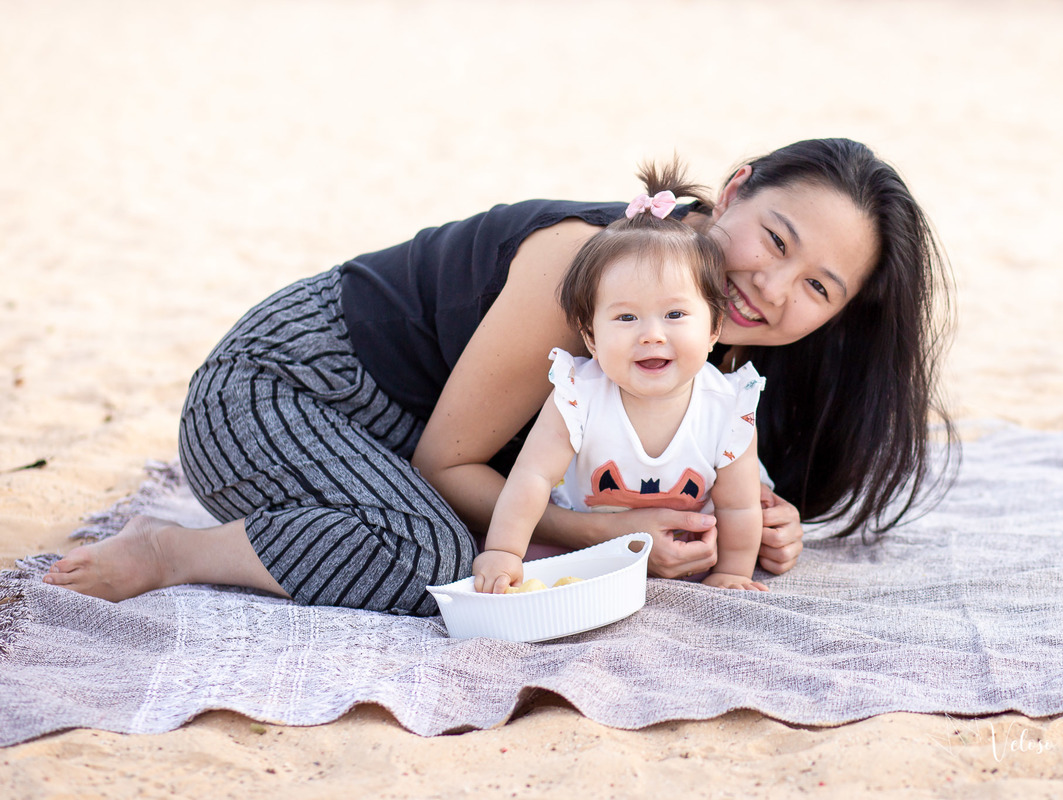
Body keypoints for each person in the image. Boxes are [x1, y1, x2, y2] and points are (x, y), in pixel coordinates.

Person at [43, 138, 956, 617]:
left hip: (391, 445)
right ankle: (174, 553)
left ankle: (306, 525)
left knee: (489, 550)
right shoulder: (596, 267)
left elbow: (625, 455)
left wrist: (731, 516)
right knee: (439, 563)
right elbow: (450, 464)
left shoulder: (710, 334)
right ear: (737, 185)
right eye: (776, 241)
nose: (772, 286)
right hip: (282, 388)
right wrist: (600, 537)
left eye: (818, 289)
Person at [475, 166, 769, 594]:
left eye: (674, 315)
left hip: (682, 552)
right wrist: (503, 550)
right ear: (591, 336)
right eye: (626, 317)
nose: (651, 334)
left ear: (713, 328)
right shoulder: (578, 395)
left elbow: (740, 506)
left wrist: (734, 571)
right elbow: (532, 478)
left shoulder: (728, 406)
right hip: (580, 545)